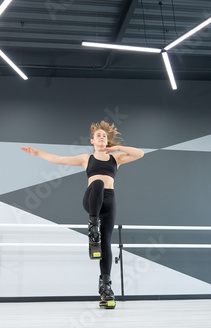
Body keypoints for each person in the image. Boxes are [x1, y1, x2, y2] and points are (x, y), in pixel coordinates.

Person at [20, 120, 144, 308]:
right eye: (98, 135)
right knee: (99, 184)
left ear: (106, 141)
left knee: (106, 244)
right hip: (92, 199)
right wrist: (37, 153)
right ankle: (93, 226)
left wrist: (117, 147)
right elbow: (59, 159)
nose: (101, 137)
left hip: (109, 200)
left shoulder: (115, 159)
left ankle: (106, 289)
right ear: (92, 141)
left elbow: (140, 154)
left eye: (104, 135)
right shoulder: (86, 159)